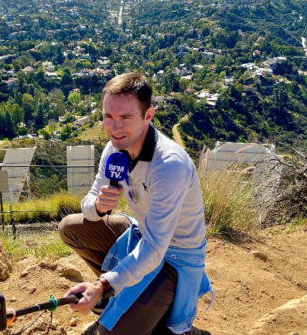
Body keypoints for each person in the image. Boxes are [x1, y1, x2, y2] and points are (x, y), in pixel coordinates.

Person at [59, 72, 211, 335]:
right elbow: (88, 203)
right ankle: (130, 295)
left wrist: (102, 284)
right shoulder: (114, 149)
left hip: (175, 257)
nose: (114, 128)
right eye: (108, 116)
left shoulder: (168, 165)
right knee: (71, 227)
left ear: (148, 115)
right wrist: (98, 206)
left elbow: (155, 248)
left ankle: (167, 317)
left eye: (125, 118)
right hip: (141, 235)